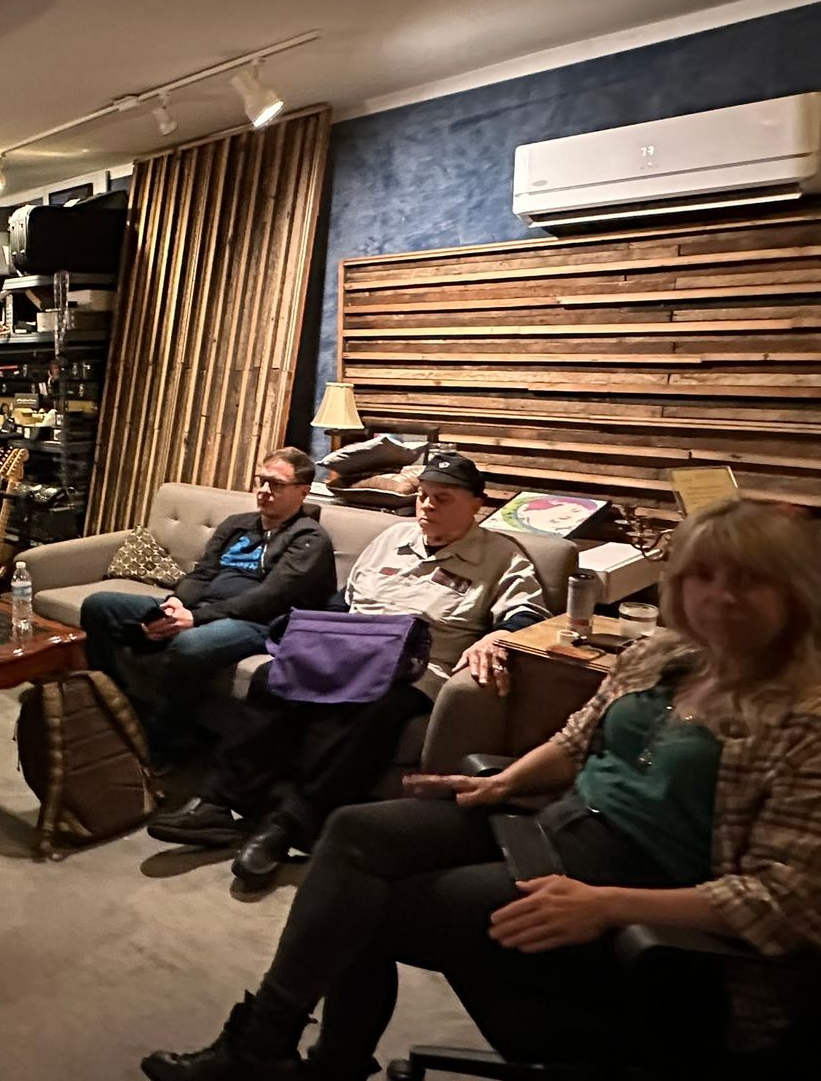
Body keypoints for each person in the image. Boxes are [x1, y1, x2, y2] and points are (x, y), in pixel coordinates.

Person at [141, 499, 821, 1081]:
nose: (718, 597)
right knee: (353, 832)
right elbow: (576, 740)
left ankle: (305, 1061)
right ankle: (273, 1049)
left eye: (747, 580)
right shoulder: (658, 655)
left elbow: (788, 901)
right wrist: (504, 782)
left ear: (794, 590)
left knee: (365, 909)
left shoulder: (806, 716)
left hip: (643, 896)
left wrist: (607, 905)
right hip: (559, 826)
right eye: (702, 576)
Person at [149, 452, 549, 889]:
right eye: (423, 496)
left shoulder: (501, 556)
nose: (427, 506)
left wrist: (499, 636)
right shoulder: (394, 537)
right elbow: (344, 600)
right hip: (349, 648)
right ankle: (219, 804)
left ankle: (288, 823)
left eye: (443, 498)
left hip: (416, 668)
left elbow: (528, 615)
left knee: (371, 709)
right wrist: (309, 637)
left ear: (476, 505)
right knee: (272, 679)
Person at [79, 447, 335, 761]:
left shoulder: (309, 540)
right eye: (262, 480)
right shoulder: (237, 525)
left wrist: (195, 618)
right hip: (202, 608)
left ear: (303, 492)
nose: (265, 491)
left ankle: (164, 742)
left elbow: (269, 598)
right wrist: (175, 604)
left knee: (190, 645)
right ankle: (116, 703)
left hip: (258, 622)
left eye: (277, 484)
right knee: (100, 605)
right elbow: (202, 573)